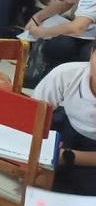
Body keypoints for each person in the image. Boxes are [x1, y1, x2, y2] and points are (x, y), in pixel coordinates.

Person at [33, 47, 96, 196]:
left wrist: (64, 156)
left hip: (91, 150)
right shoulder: (67, 73)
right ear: (91, 53)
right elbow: (33, 114)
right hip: (66, 125)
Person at [28, 0, 95, 72]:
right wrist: (37, 18)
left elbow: (77, 27)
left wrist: (43, 32)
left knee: (85, 53)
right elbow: (67, 3)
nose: (61, 1)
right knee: (61, 43)